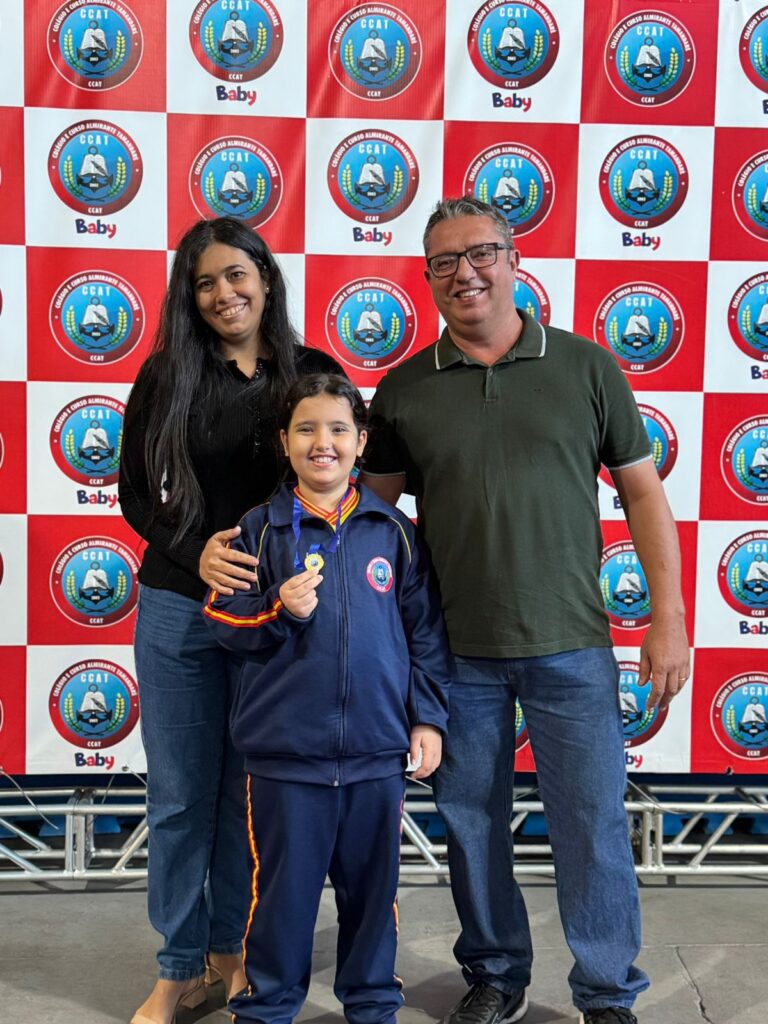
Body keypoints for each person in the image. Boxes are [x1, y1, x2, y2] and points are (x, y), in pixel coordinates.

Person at [362, 197, 690, 1024]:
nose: (464, 273)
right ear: (428, 277)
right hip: (455, 651)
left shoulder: (586, 367)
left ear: (514, 260)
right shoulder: (402, 391)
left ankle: (606, 992)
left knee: (591, 823)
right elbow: (369, 519)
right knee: (471, 824)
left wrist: (669, 618)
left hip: (571, 642)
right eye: (444, 261)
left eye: (481, 253)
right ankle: (496, 975)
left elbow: (643, 496)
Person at [119, 217, 342, 1024]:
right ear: (190, 294)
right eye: (206, 282)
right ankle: (177, 969)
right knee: (181, 796)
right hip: (180, 608)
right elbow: (134, 494)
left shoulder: (310, 372)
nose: (224, 293)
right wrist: (196, 553)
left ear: (266, 278)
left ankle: (230, 952)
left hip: (273, 617)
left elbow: (337, 482)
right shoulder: (167, 374)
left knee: (248, 798)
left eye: (237, 275)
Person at [202, 373, 451, 1024]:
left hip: (375, 754)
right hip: (285, 758)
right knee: (282, 899)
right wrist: (276, 610)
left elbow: (425, 634)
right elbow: (223, 621)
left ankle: (372, 1005)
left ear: (361, 442)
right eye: (307, 429)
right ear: (284, 442)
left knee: (373, 895)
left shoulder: (392, 531)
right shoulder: (258, 529)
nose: (323, 443)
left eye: (339, 429)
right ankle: (268, 1006)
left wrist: (426, 719)